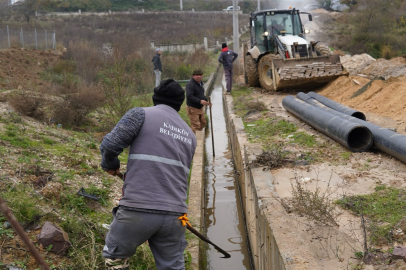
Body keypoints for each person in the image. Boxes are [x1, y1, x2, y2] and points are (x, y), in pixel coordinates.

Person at [100, 79, 197, 270]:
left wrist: (110, 164)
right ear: (180, 104)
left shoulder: (140, 114)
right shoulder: (190, 134)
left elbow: (110, 145)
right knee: (173, 266)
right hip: (176, 216)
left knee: (116, 259)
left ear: (155, 98)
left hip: (138, 209)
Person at [186, 69, 210, 134]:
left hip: (199, 108)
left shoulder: (200, 83)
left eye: (199, 75)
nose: (198, 76)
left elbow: (201, 94)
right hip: (193, 107)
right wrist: (200, 101)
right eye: (196, 75)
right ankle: (195, 140)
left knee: (203, 122)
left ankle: (195, 134)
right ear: (193, 76)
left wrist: (206, 101)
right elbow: (189, 96)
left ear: (202, 76)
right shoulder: (190, 84)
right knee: (196, 125)